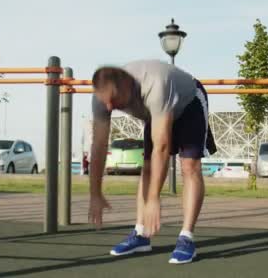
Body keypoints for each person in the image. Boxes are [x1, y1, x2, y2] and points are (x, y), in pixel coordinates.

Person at [88, 59, 216, 264]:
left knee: (189, 166)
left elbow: (162, 148)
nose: (110, 106)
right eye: (106, 102)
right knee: (146, 168)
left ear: (127, 86)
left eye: (114, 99)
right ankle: (141, 235)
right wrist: (95, 193)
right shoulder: (101, 98)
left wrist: (154, 198)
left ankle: (186, 237)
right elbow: (99, 146)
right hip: (155, 111)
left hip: (189, 103)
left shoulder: (155, 84)